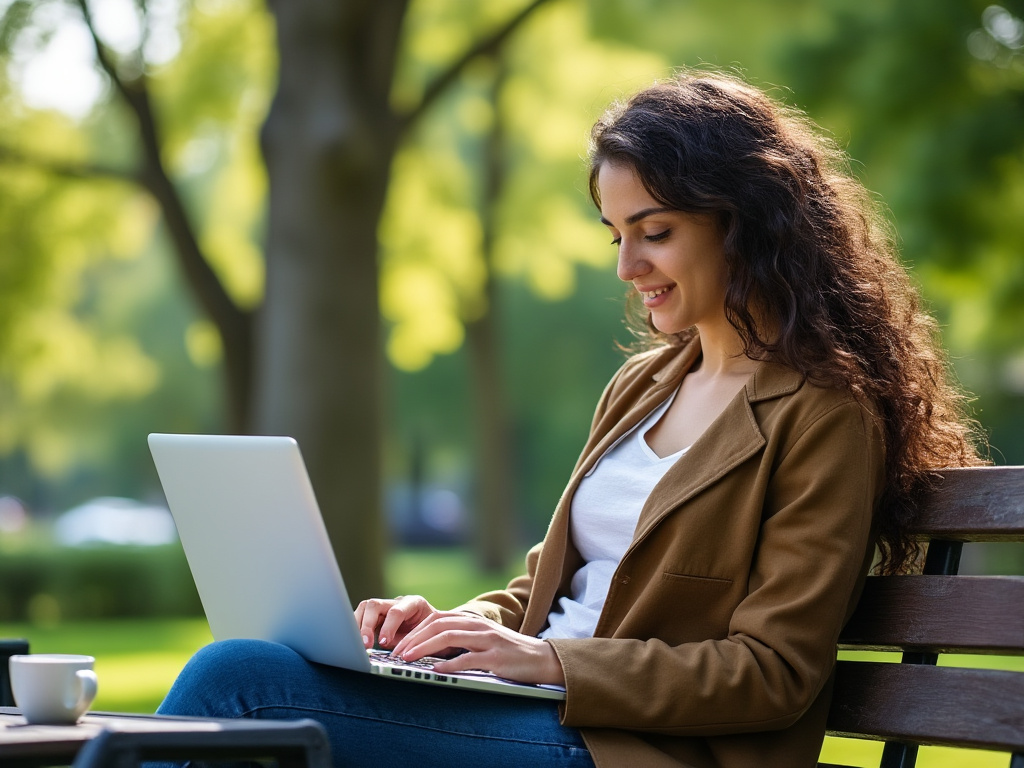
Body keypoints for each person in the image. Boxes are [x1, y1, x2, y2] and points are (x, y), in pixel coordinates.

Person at [156, 70, 983, 768]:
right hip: (547, 713)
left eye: (654, 232)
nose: (628, 267)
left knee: (246, 683)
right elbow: (548, 593)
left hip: (632, 748)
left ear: (746, 222)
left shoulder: (824, 413)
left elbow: (771, 672)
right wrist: (448, 631)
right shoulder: (644, 384)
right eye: (616, 235)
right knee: (260, 674)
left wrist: (551, 662)